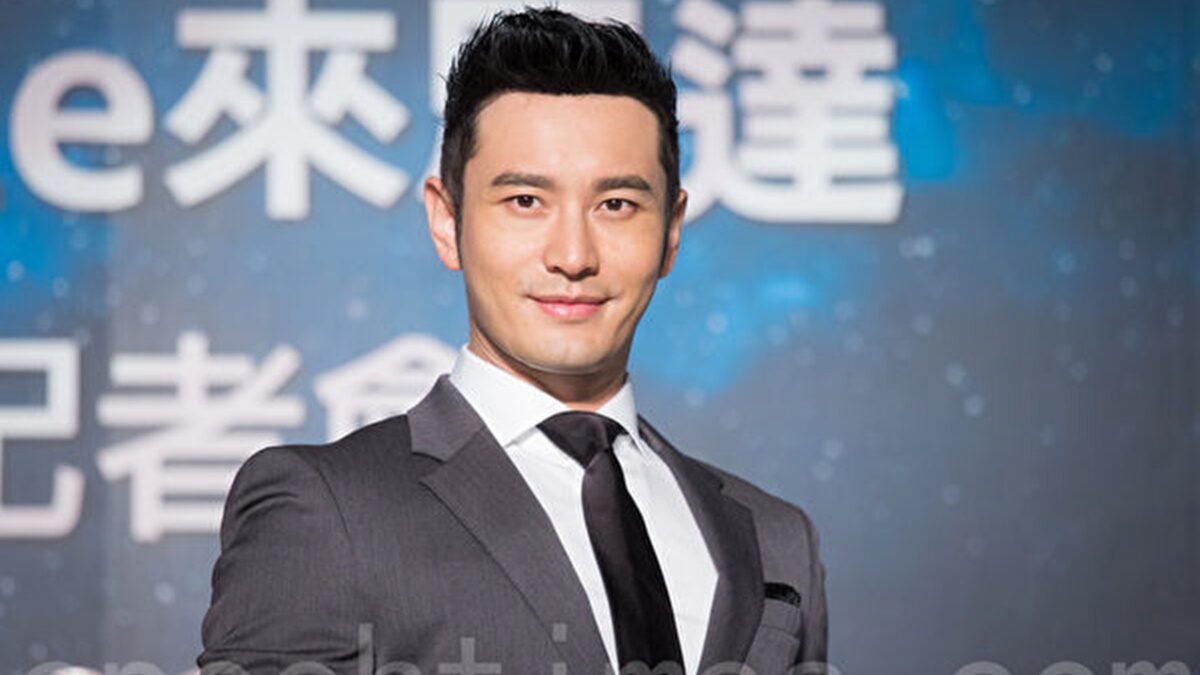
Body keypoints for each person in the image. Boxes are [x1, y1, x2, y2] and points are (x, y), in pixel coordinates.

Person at [197, 8, 827, 675]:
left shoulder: (775, 535)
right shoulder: (326, 507)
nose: (573, 255)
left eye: (616, 204)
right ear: (447, 221)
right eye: (526, 201)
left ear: (671, 230)